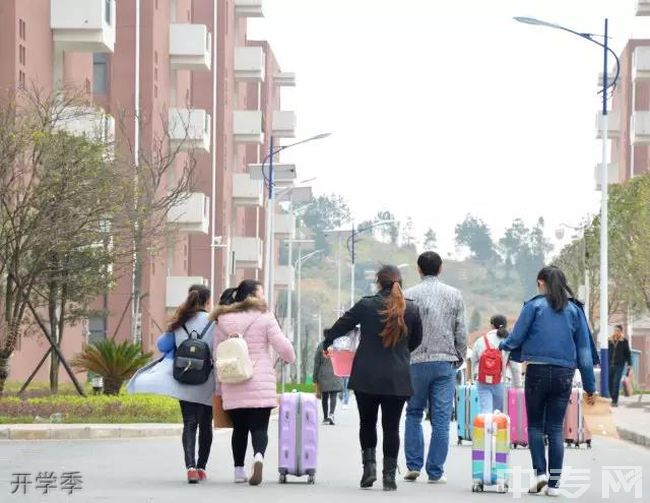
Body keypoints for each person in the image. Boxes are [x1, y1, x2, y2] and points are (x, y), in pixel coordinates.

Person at [499, 266, 597, 496]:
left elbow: (516, 338)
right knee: (554, 428)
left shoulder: (534, 306)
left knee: (534, 426)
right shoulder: (574, 310)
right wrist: (590, 387)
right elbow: (583, 350)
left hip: (537, 372)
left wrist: (502, 346)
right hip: (564, 374)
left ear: (540, 281)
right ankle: (554, 485)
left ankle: (540, 474)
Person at [323, 265, 422, 491]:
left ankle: (369, 470)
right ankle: (389, 476)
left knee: (367, 423)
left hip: (366, 375)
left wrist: (327, 342)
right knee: (391, 427)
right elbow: (416, 340)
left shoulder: (366, 305)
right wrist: (400, 353)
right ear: (400, 282)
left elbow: (341, 325)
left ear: (378, 282)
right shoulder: (412, 309)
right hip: (397, 377)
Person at [127, 284, 215, 484]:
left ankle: (190, 468)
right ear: (208, 301)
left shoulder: (180, 321)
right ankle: (202, 467)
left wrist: (175, 330)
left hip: (184, 379)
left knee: (189, 423)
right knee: (206, 426)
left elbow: (162, 345)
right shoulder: (214, 322)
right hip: (206, 380)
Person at [211, 280, 295, 486]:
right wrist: (290, 357)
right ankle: (258, 456)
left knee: (239, 429)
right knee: (260, 428)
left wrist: (219, 386)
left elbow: (217, 355)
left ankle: (238, 470)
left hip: (233, 379)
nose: (263, 297)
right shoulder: (265, 316)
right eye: (261, 293)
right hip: (260, 380)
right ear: (251, 296)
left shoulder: (223, 319)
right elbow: (282, 346)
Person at [403, 251, 466, 484]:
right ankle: (435, 471)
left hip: (415, 362)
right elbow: (461, 330)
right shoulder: (454, 295)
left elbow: (402, 331)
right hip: (444, 362)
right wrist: (459, 356)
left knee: (413, 413)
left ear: (419, 269)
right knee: (441, 419)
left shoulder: (407, 295)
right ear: (440, 269)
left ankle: (413, 465)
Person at [470, 315, 521, 413]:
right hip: (502, 381)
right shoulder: (509, 342)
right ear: (505, 326)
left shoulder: (481, 340)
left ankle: (487, 427)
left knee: (486, 412)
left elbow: (474, 361)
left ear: (492, 325)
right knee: (500, 413)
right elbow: (515, 367)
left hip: (482, 380)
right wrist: (517, 386)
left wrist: (475, 376)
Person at [313, 336, 343, 425]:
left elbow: (316, 363)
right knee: (333, 395)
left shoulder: (321, 346)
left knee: (325, 397)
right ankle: (331, 414)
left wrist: (315, 377)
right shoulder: (338, 346)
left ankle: (325, 417)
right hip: (336, 372)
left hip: (323, 374)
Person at [608, 324, 632, 407]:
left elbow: (628, 353)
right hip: (610, 364)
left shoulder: (624, 341)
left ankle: (614, 401)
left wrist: (629, 364)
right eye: (615, 330)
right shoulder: (609, 340)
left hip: (619, 365)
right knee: (609, 383)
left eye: (618, 330)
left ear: (621, 332)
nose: (616, 332)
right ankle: (612, 396)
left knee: (616, 382)